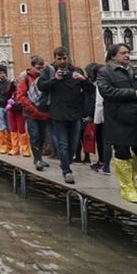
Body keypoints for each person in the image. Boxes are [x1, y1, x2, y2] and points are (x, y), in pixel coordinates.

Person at [97, 43, 137, 204]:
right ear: (113, 56)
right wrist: (134, 94)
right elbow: (106, 92)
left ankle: (131, 177)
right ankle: (126, 187)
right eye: (123, 53)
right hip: (118, 119)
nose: (127, 55)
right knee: (122, 152)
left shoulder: (131, 70)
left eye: (128, 52)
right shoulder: (105, 72)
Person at [37, 47, 94, 184]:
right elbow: (41, 86)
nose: (62, 61)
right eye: (59, 58)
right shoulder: (49, 71)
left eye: (64, 58)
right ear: (55, 58)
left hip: (75, 114)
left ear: (68, 57)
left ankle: (65, 163)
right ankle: (67, 171)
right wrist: (54, 80)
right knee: (63, 144)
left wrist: (83, 79)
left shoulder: (76, 71)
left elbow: (91, 89)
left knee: (73, 144)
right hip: (58, 114)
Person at [16, 56, 51, 171]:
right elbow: (20, 96)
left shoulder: (45, 77)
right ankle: (37, 159)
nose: (40, 69)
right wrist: (31, 108)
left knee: (42, 137)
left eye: (42, 67)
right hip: (31, 113)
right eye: (38, 67)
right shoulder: (25, 78)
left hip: (43, 113)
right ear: (33, 66)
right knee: (35, 135)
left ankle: (39, 157)